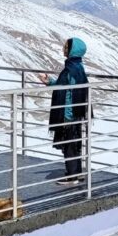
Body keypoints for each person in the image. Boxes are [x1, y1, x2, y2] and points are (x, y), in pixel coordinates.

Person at [38, 37, 89, 186]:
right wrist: (49, 81)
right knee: (73, 144)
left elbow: (69, 92)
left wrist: (66, 115)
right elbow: (64, 86)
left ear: (73, 50)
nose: (63, 49)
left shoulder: (71, 69)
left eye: (66, 47)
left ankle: (72, 176)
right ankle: (77, 174)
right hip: (74, 113)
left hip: (69, 114)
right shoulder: (77, 66)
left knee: (69, 145)